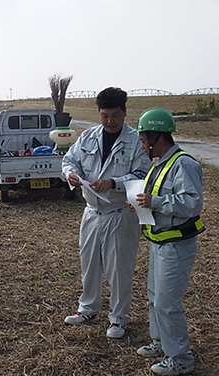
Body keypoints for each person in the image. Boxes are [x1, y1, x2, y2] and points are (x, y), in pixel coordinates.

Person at [62, 87, 152, 338]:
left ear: (124, 112)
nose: (110, 121)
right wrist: (70, 174)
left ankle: (118, 318)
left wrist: (114, 182)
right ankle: (88, 308)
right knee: (89, 263)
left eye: (115, 116)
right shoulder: (88, 137)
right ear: (98, 114)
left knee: (119, 268)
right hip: (92, 211)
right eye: (104, 116)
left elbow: (143, 174)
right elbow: (70, 160)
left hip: (120, 212)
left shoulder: (136, 140)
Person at [128, 107, 205, 375]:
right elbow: (157, 198)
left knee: (167, 303)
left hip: (176, 246)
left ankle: (180, 358)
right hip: (159, 243)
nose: (141, 144)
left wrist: (155, 202)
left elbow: (192, 203)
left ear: (156, 137)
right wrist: (141, 206)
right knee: (154, 297)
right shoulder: (159, 164)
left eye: (142, 139)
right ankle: (161, 342)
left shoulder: (184, 164)